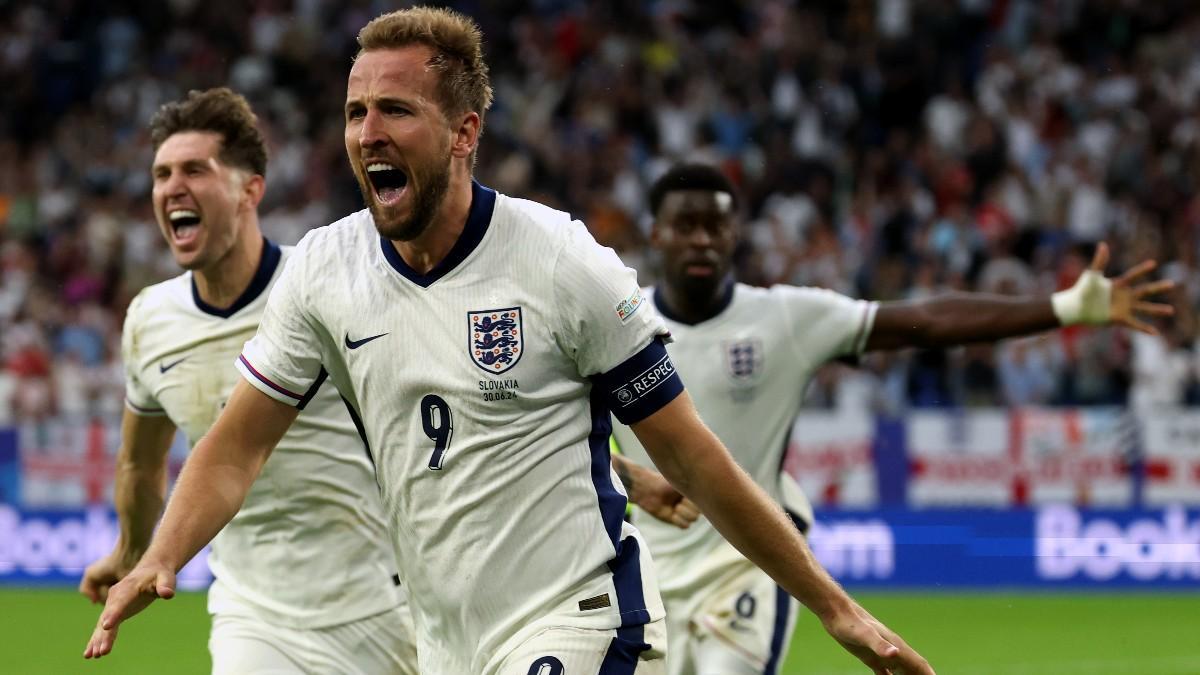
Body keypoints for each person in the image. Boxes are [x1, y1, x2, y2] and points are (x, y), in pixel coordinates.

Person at [84, 9, 934, 675]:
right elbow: (231, 452)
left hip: (582, 615)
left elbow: (697, 458)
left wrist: (834, 606)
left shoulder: (561, 262)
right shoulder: (324, 272)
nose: (367, 131)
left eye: (395, 110)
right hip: (446, 637)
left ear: (464, 131)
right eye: (354, 111)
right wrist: (158, 557)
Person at [610, 163, 1175, 675]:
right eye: (686, 225)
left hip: (753, 562)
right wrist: (631, 476)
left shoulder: (784, 316)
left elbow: (926, 320)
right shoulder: (616, 325)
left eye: (717, 225)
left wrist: (1065, 308)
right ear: (656, 232)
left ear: (738, 235)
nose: (703, 238)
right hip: (640, 567)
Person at [78, 88, 417, 674]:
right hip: (253, 613)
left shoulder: (326, 286)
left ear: (249, 190)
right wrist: (133, 551)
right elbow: (139, 462)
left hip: (387, 602)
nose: (171, 187)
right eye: (161, 174)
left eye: (194, 170)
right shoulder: (150, 320)